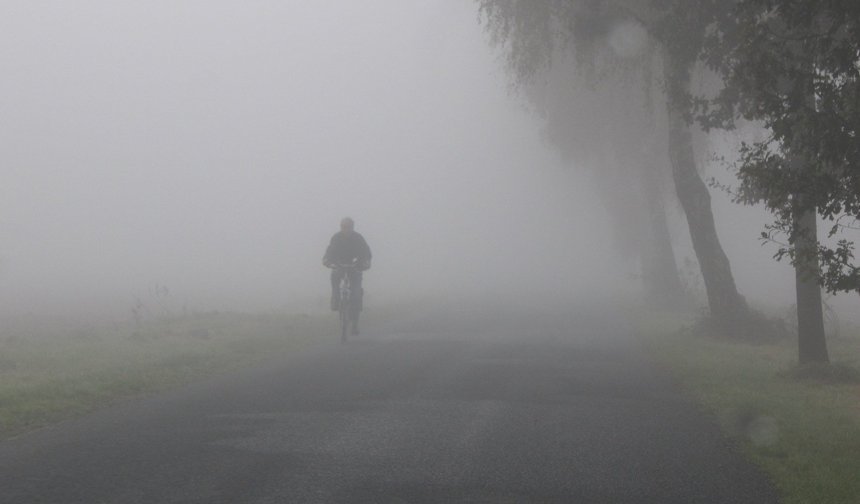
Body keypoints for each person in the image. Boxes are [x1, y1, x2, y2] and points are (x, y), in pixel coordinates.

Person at [323, 217, 372, 333]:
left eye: (348, 227)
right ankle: (335, 299)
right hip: (339, 266)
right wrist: (327, 261)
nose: (346, 229)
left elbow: (366, 252)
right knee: (335, 278)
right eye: (343, 227)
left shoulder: (358, 238)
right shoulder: (336, 238)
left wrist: (365, 262)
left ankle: (354, 323)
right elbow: (329, 251)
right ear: (341, 227)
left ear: (352, 227)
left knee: (356, 294)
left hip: (355, 267)